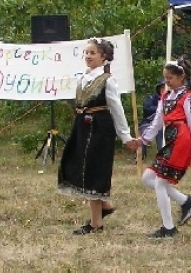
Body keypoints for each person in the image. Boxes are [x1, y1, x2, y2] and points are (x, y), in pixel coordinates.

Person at [58, 38, 135, 235]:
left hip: (99, 128)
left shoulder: (107, 80)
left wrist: (125, 136)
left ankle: (95, 224)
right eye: (86, 53)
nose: (88, 56)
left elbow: (116, 109)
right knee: (79, 166)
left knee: (93, 171)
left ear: (104, 57)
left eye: (93, 53)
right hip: (83, 126)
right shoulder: (84, 77)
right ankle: (106, 206)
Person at [127, 59, 191, 239]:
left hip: (182, 139)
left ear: (181, 77)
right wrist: (142, 140)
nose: (167, 81)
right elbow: (157, 122)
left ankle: (168, 227)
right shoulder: (166, 97)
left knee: (160, 182)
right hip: (171, 139)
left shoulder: (187, 97)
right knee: (147, 178)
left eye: (170, 78)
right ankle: (185, 201)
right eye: (165, 78)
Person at [139, 79, 167, 158]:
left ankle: (161, 155)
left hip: (162, 124)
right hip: (148, 122)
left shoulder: (171, 99)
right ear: (158, 89)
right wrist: (160, 107)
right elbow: (146, 108)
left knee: (161, 133)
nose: (163, 90)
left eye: (165, 88)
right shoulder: (151, 98)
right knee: (144, 133)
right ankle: (140, 156)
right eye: (162, 88)